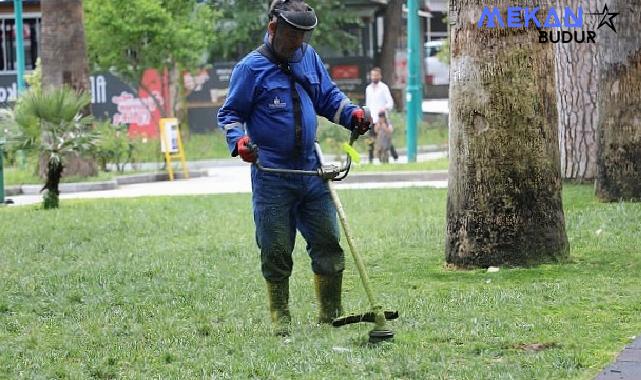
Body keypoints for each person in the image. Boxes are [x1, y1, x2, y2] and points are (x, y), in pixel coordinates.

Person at [217, 0, 371, 336]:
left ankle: (331, 314)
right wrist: (239, 141)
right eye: (292, 36)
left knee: (328, 242)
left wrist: (352, 114)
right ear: (273, 29)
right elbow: (230, 115)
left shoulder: (309, 57)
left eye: (304, 36)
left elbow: (328, 97)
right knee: (275, 248)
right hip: (272, 175)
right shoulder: (250, 68)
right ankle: (281, 318)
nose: (298, 43)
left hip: (312, 171)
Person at [365, 67, 398, 162]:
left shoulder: (384, 88)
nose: (374, 77)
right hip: (372, 118)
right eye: (373, 75)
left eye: (376, 75)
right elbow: (368, 104)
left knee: (385, 137)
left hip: (382, 118)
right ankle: (370, 158)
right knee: (371, 138)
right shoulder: (368, 89)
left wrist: (384, 108)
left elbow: (390, 103)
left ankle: (393, 154)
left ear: (380, 76)